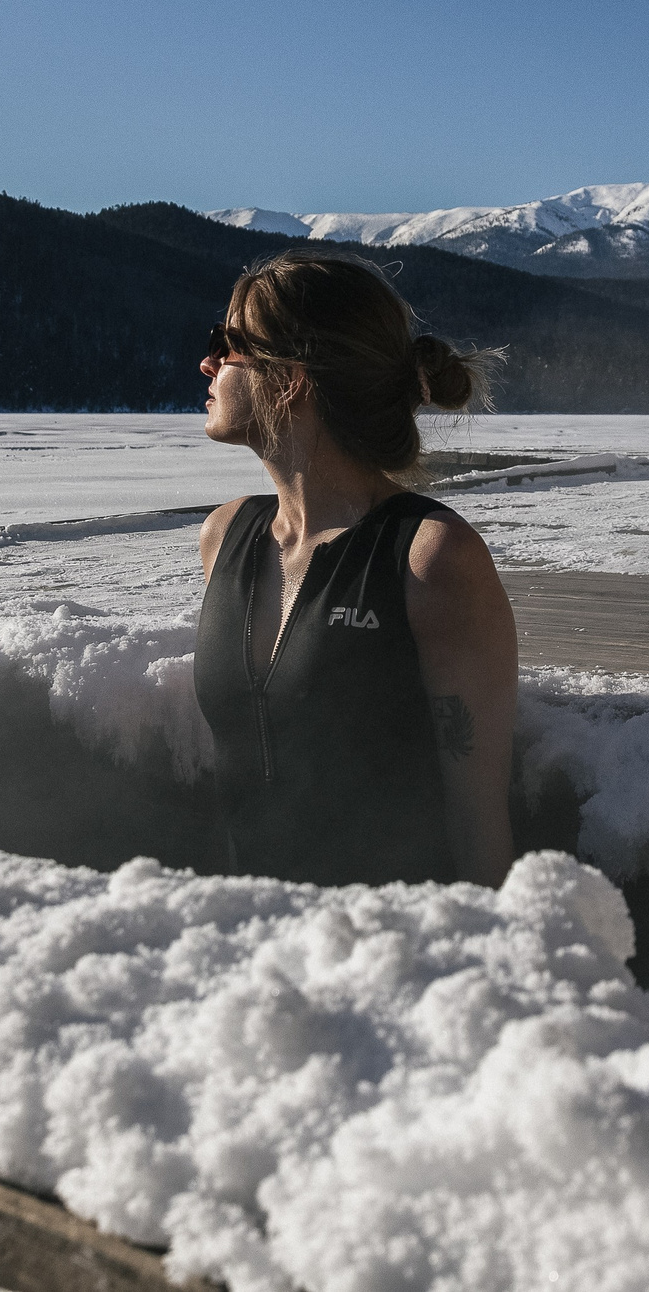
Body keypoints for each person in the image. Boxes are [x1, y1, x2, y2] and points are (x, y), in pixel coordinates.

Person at [192, 249, 517, 888]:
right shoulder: (226, 536)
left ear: (289, 378)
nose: (207, 363)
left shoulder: (430, 557)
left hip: (389, 957)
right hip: (248, 948)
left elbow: (479, 823)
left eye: (227, 345)